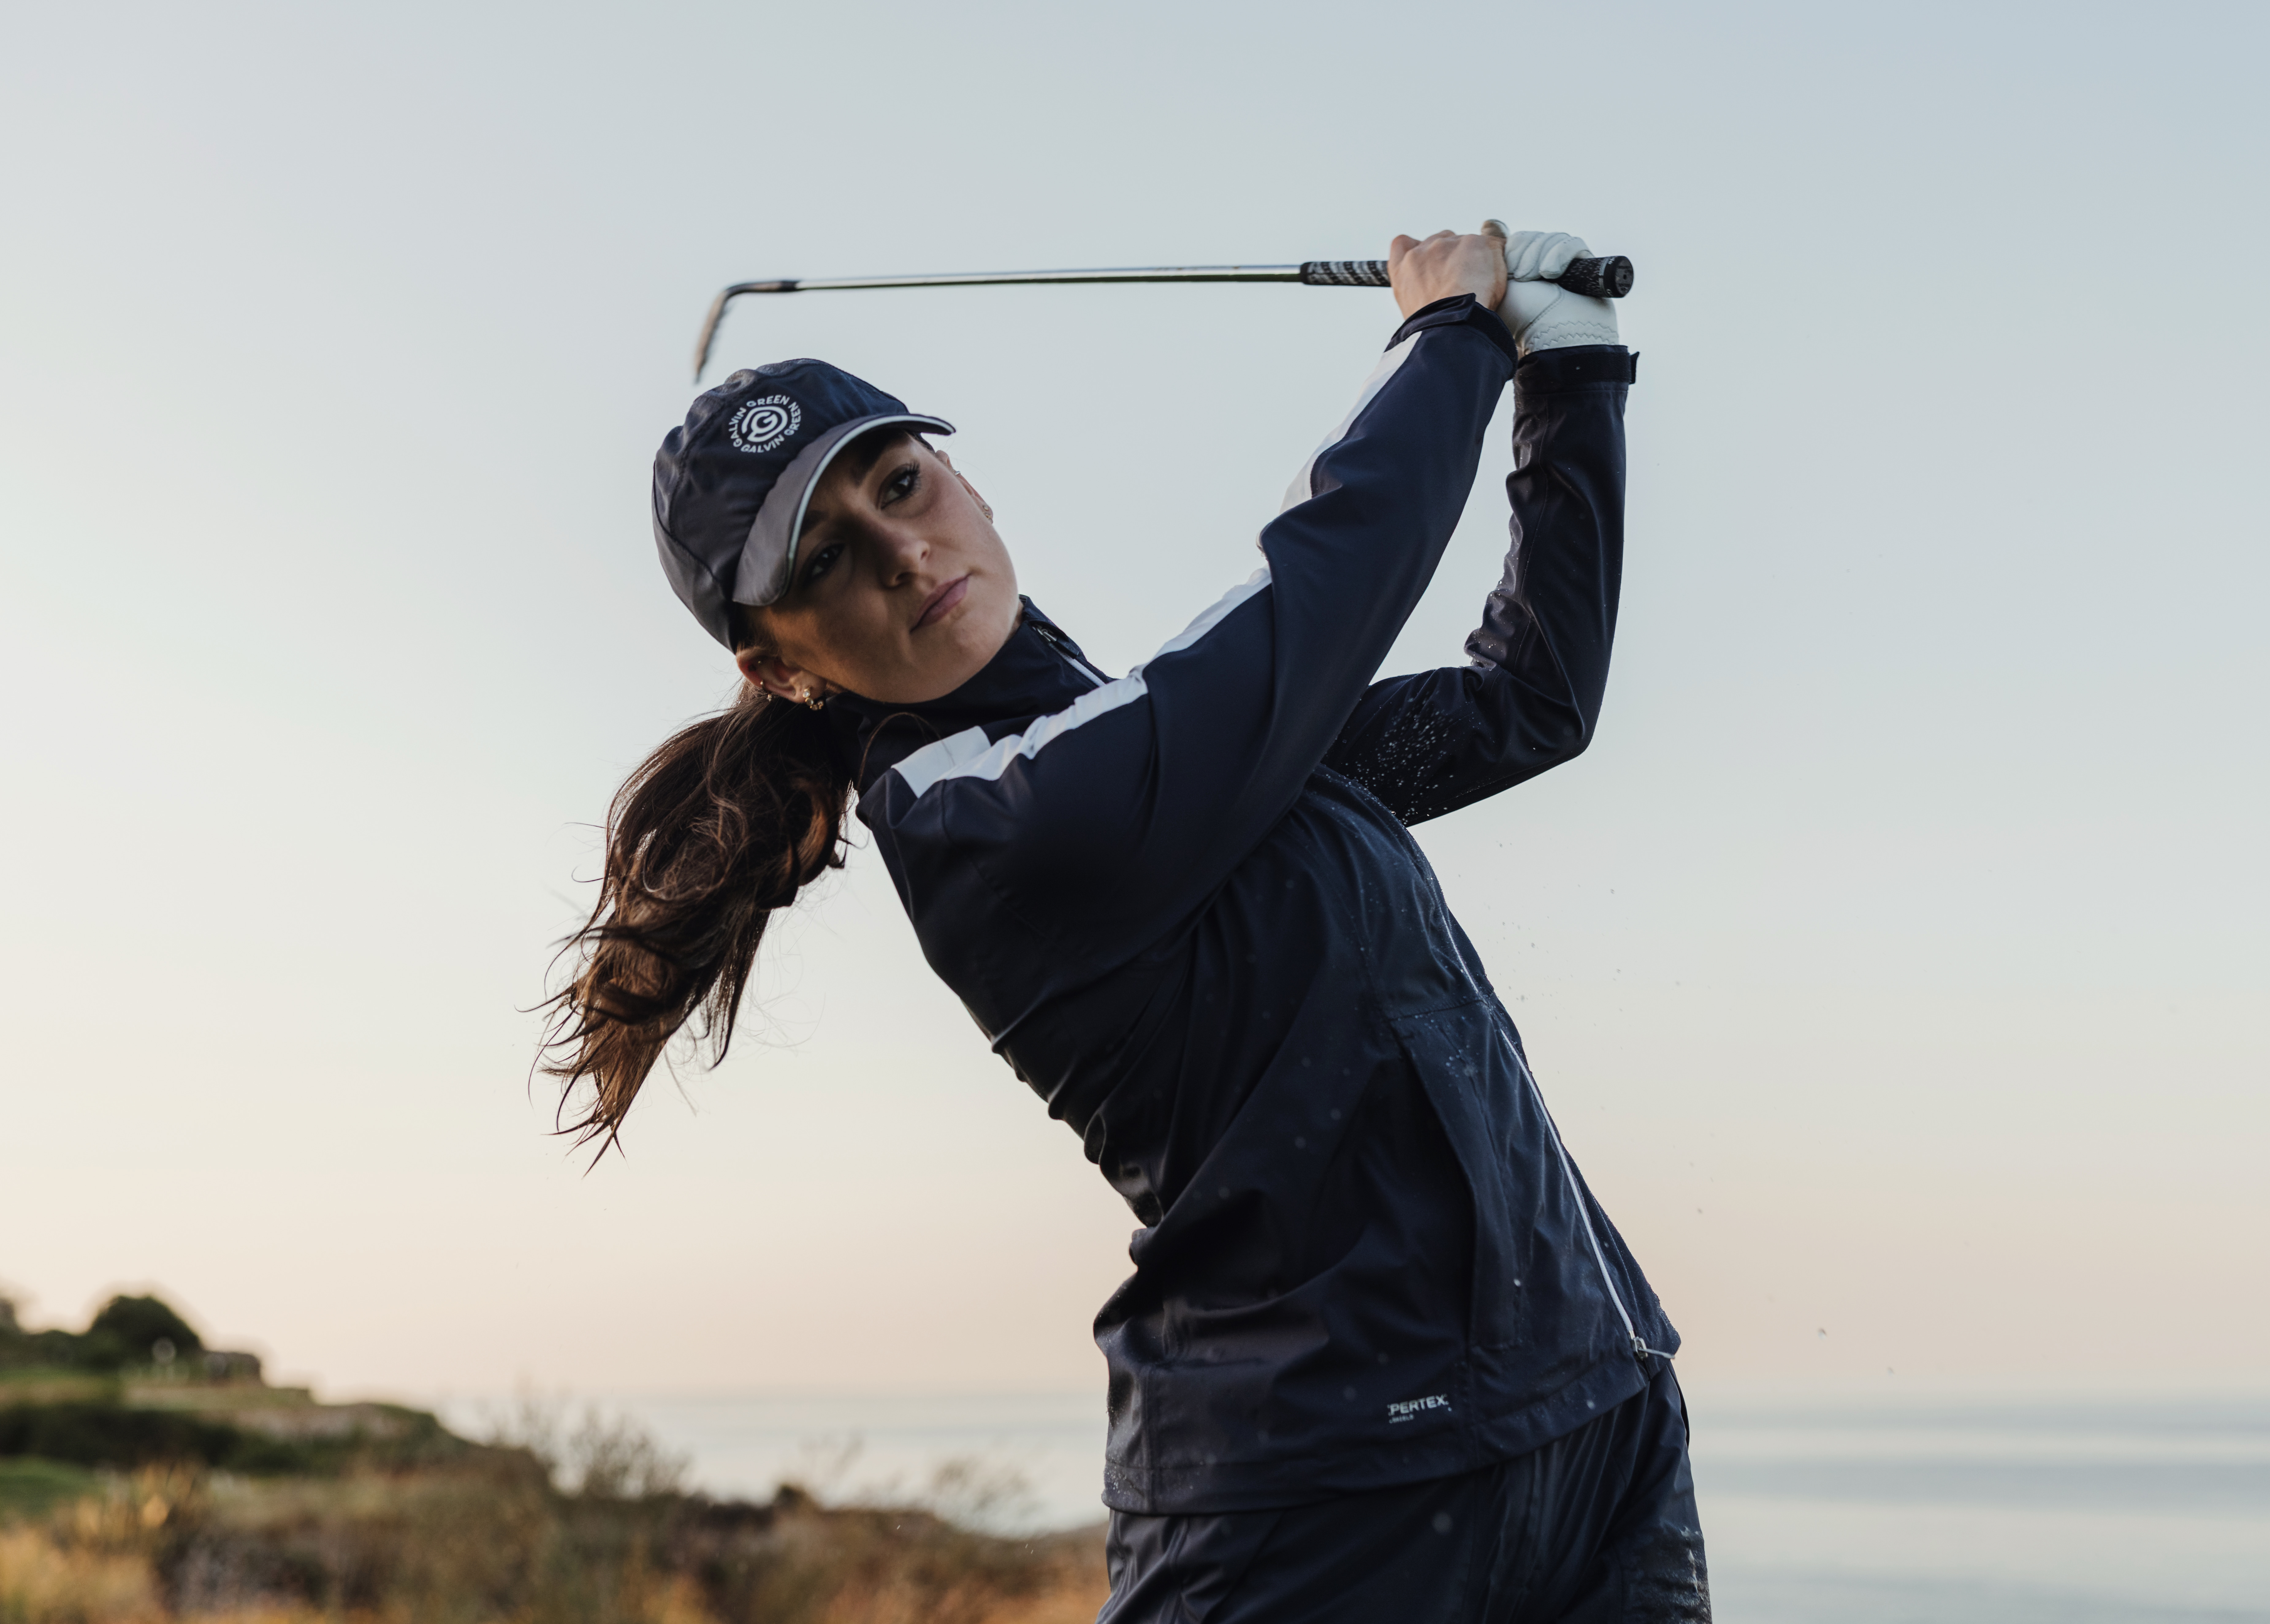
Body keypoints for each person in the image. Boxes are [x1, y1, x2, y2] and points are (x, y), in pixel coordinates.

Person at [546, 224, 1708, 1621]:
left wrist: (1570, 381)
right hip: (1322, 1503)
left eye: (904, 482)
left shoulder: (1171, 738)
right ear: (778, 666)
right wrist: (1448, 336)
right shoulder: (992, 818)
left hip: (1593, 1418)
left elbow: (1527, 704)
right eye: (827, 565)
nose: (908, 554)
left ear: (963, 473)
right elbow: (1322, 591)